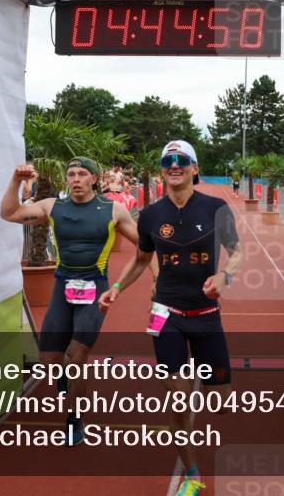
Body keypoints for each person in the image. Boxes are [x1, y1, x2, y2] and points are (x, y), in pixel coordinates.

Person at [99, 140, 243, 496]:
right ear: (162, 169)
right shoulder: (150, 214)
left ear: (194, 167)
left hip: (207, 316)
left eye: (181, 160)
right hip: (167, 316)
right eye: (167, 160)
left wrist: (225, 276)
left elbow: (237, 253)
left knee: (221, 404)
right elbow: (141, 258)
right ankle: (192, 475)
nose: (174, 165)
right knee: (177, 399)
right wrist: (117, 286)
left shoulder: (215, 207)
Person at [0, 156, 139, 445]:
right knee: (50, 361)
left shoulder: (113, 210)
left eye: (81, 174)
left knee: (76, 356)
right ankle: (67, 383)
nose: (75, 179)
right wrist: (16, 180)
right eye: (71, 174)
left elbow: (146, 247)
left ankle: (75, 418)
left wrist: (149, 279)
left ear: (94, 179)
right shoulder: (53, 207)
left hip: (95, 289)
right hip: (63, 288)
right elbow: (9, 213)